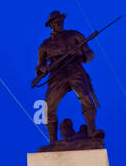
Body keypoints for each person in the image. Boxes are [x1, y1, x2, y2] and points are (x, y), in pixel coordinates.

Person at [35, 10, 98, 145]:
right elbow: (39, 66)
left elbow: (89, 53)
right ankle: (52, 140)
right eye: (56, 21)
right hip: (56, 74)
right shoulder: (44, 46)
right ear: (51, 24)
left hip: (74, 69)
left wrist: (81, 55)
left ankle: (92, 130)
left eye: (61, 20)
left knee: (85, 97)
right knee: (48, 106)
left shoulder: (75, 35)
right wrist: (42, 69)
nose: (59, 23)